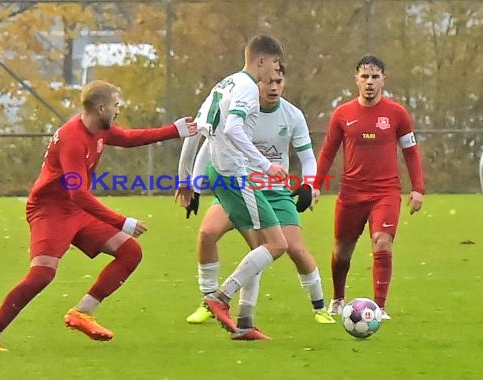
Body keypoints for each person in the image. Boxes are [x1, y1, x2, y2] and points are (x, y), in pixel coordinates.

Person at [0, 80, 197, 352]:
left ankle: (82, 312)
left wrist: (174, 130)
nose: (118, 110)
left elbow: (128, 139)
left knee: (130, 252)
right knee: (42, 274)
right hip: (50, 210)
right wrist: (121, 221)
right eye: (116, 105)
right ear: (101, 108)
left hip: (75, 209)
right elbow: (78, 193)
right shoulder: (73, 139)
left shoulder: (98, 130)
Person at [179, 63, 335, 334]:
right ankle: (213, 302)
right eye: (268, 82)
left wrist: (310, 185)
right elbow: (209, 141)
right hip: (239, 185)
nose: (273, 87)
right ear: (256, 84)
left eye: (278, 81)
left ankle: (320, 308)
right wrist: (193, 183)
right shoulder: (241, 107)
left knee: (293, 249)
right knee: (207, 233)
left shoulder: (292, 115)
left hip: (274, 192)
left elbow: (308, 157)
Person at [176, 34, 289, 340]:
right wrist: (266, 166)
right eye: (275, 63)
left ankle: (244, 324)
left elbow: (192, 131)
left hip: (218, 173)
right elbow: (233, 128)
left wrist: (185, 179)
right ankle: (218, 298)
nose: (276, 71)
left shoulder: (224, 84)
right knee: (277, 245)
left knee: (260, 247)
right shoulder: (248, 89)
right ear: (261, 60)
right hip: (236, 177)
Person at [314, 55, 424, 319]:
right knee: (342, 250)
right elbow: (328, 151)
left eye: (375, 77)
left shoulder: (397, 113)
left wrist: (418, 188)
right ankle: (338, 299)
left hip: (385, 192)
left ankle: (379, 307)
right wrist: (314, 184)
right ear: (356, 80)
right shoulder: (342, 114)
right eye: (365, 77)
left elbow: (410, 151)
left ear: (383, 79)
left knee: (382, 242)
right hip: (351, 193)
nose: (370, 82)